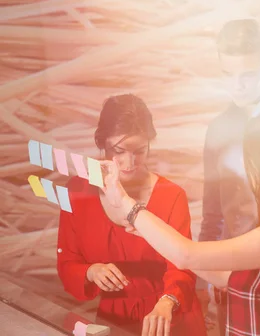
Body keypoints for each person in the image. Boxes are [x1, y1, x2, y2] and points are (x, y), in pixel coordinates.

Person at [99, 107, 260, 336]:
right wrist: (154, 235)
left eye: (249, 160)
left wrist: (126, 203)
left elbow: (186, 254)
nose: (245, 169)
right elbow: (226, 277)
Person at [56, 94, 206, 336]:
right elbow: (66, 263)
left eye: (139, 151)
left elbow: (183, 266)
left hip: (168, 319)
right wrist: (91, 271)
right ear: (102, 143)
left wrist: (168, 301)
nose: (129, 162)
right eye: (119, 151)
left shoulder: (172, 195)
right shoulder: (78, 192)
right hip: (112, 320)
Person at [198, 18, 260, 334]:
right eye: (228, 74)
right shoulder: (217, 131)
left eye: (247, 75)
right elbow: (212, 217)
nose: (237, 86)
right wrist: (203, 283)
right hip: (232, 279)